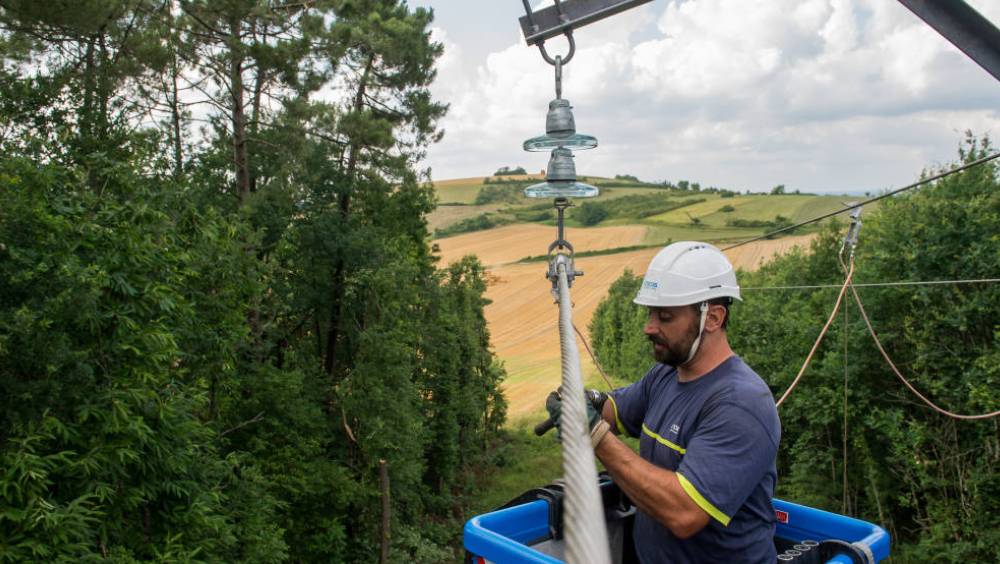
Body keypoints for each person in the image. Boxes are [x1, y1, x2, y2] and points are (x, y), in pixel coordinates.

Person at [546, 241, 781, 563]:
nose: (649, 327)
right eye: (650, 313)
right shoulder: (667, 375)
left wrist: (593, 433)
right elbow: (615, 409)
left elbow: (684, 513)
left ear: (712, 318)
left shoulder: (740, 403)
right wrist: (579, 401)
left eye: (665, 317)